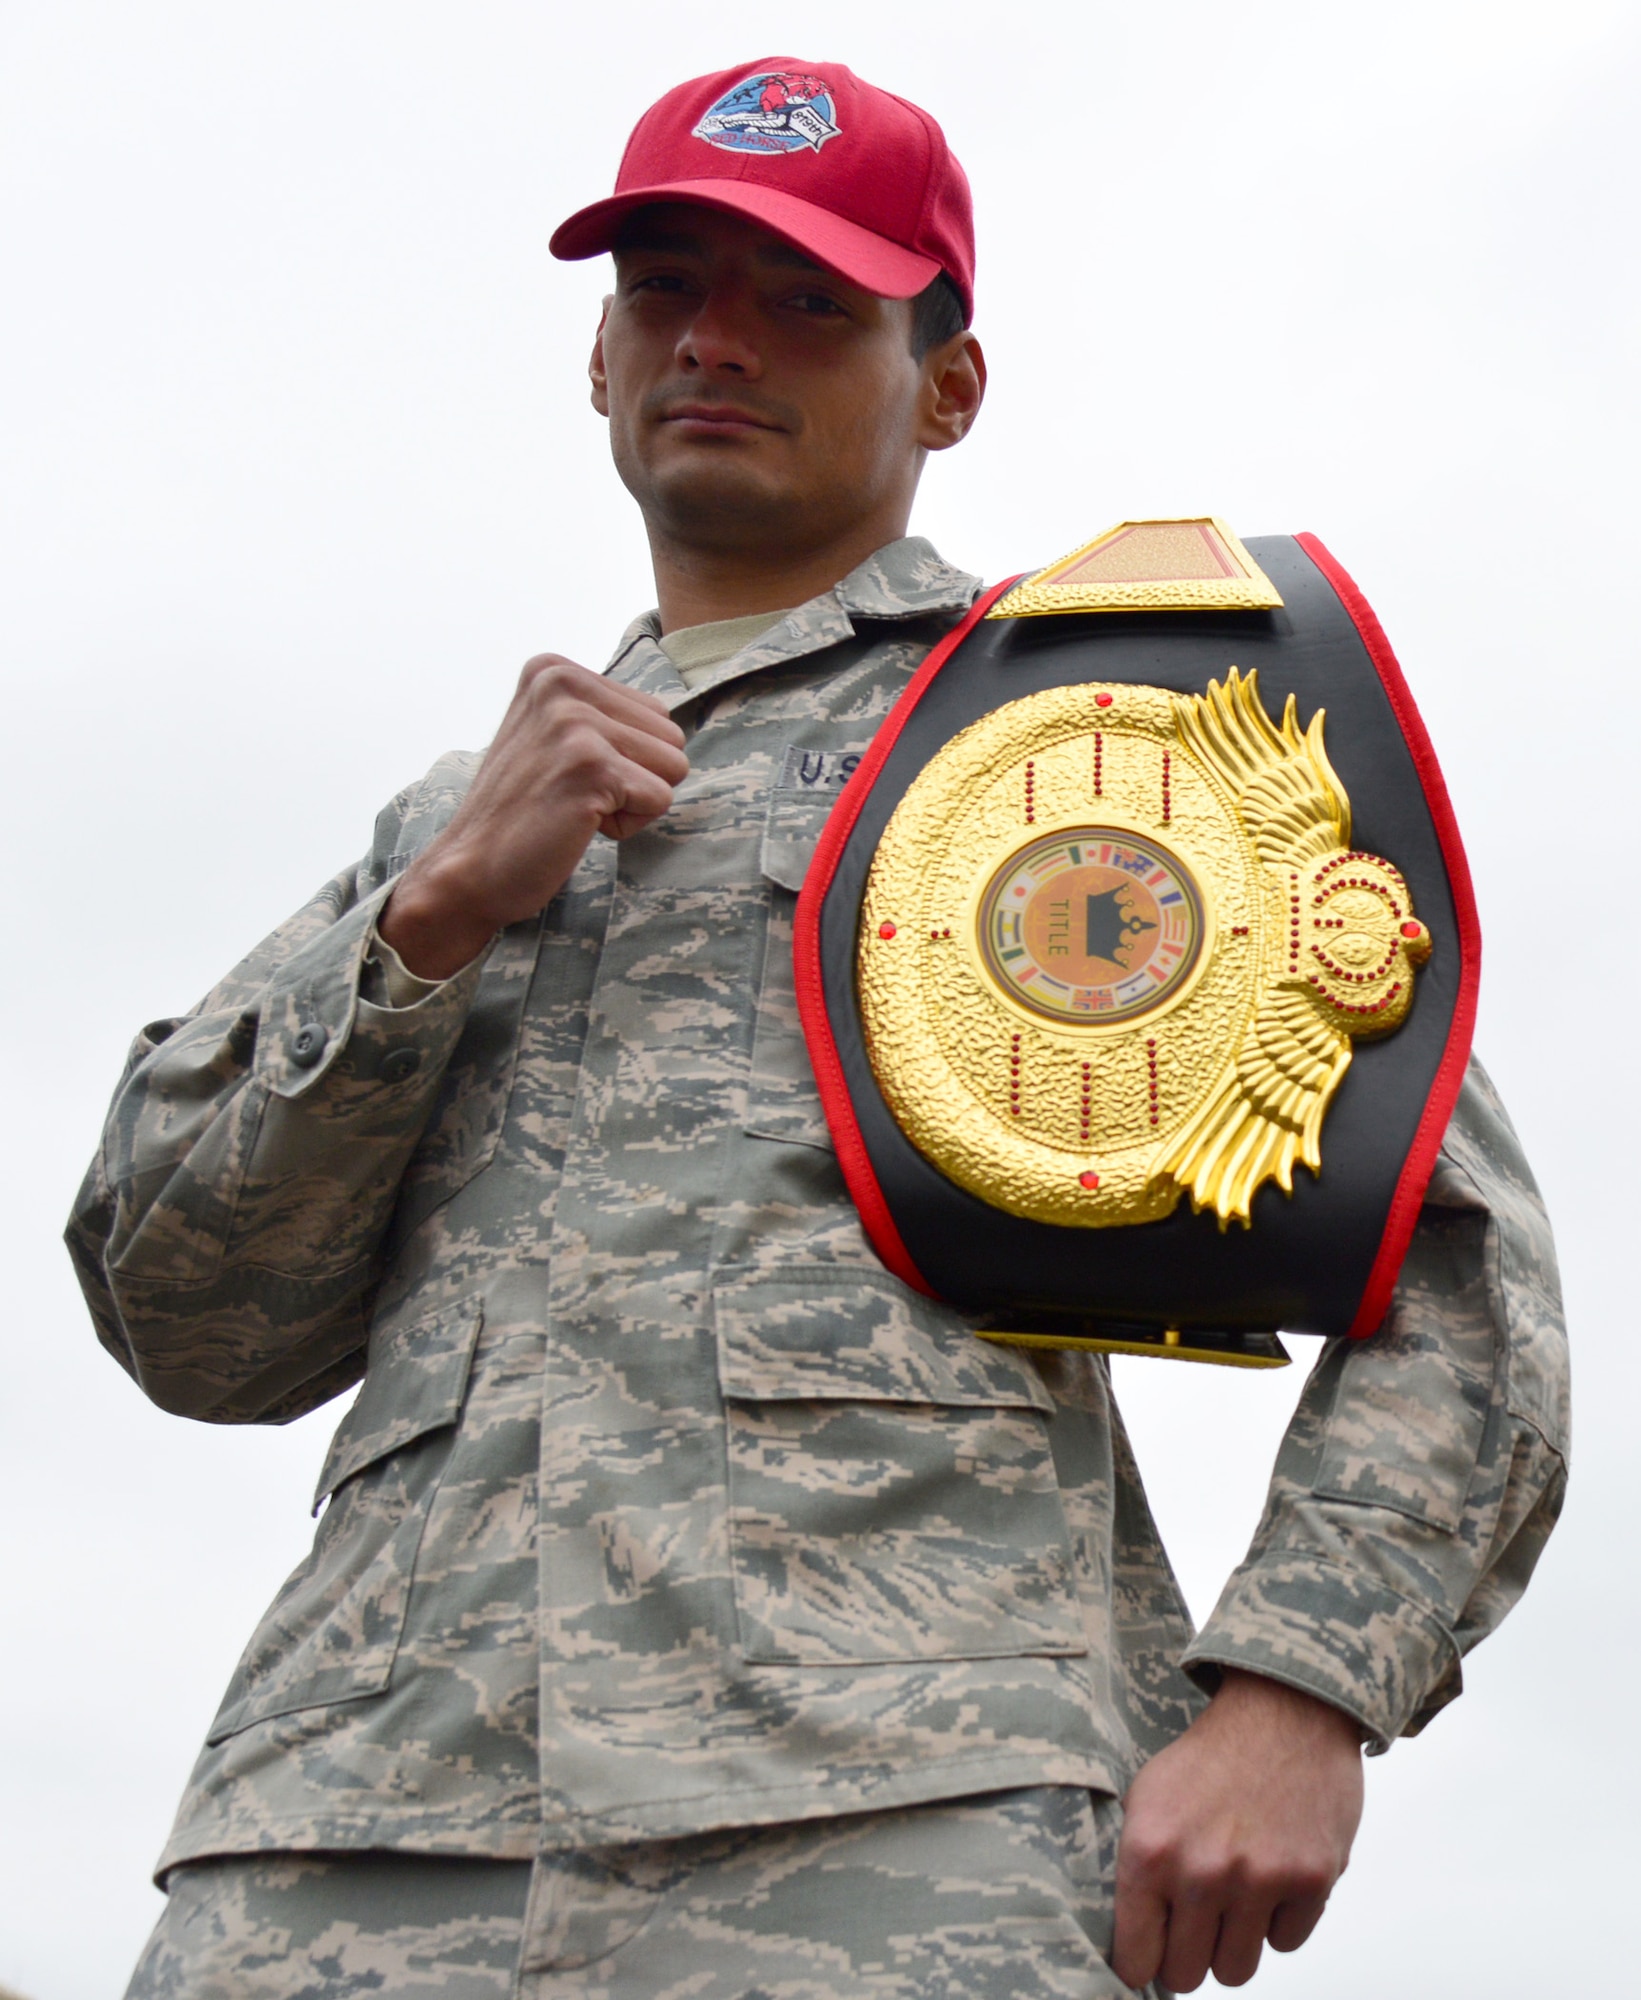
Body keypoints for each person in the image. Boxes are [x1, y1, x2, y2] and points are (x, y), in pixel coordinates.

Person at [69, 57, 1569, 2000]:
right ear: (597, 361)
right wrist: (431, 924)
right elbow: (188, 1317)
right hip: (349, 1834)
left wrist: (1297, 1687)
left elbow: (1451, 1260)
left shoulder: (1088, 737)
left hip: (895, 1818)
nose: (717, 339)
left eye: (806, 301)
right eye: (664, 288)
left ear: (945, 385)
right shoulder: (456, 818)